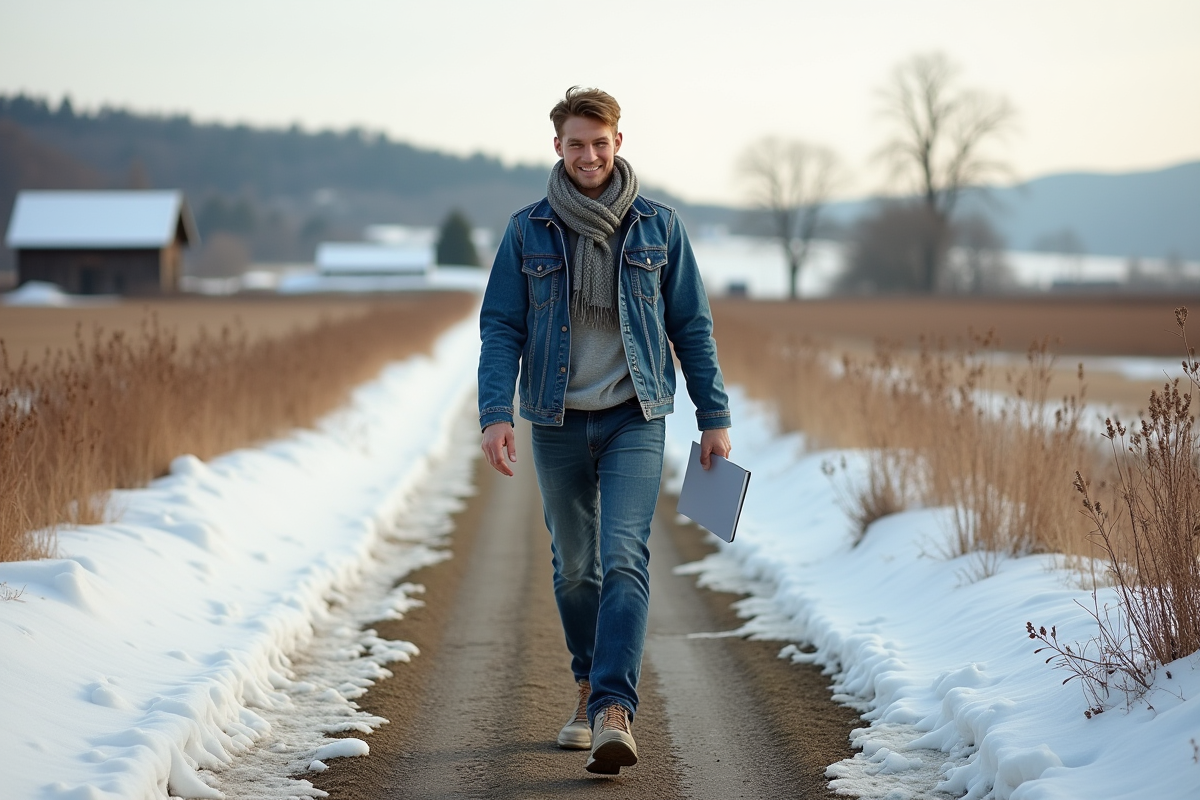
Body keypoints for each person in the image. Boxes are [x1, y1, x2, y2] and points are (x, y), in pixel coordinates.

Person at [477, 86, 732, 775]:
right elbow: (500, 326)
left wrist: (714, 417)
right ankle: (587, 682)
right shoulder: (527, 230)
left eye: (600, 142)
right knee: (574, 571)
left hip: (634, 417)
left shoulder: (659, 228)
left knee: (623, 558)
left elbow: (691, 327)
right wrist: (495, 413)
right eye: (575, 143)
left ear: (619, 143)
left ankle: (613, 710)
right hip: (556, 419)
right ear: (556, 148)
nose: (588, 155)